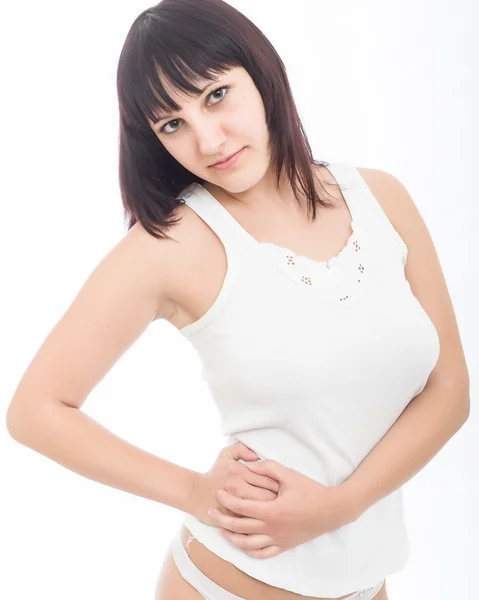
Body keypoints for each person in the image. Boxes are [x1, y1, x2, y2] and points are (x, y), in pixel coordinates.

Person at [6, 0, 470, 599]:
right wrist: (196, 491)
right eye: (171, 125)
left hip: (369, 584)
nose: (207, 139)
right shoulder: (169, 245)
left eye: (216, 95)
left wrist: (341, 506)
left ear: (261, 71)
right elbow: (36, 410)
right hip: (232, 584)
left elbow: (450, 390)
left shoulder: (382, 197)